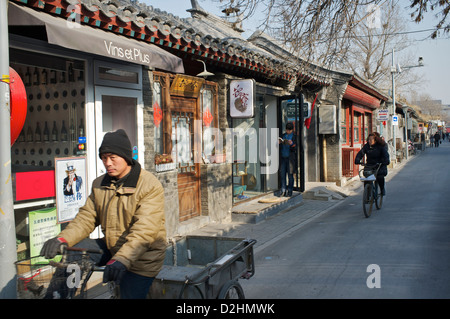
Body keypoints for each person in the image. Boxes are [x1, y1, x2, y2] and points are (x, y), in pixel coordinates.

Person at [40, 129, 167, 299]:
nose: (108, 163)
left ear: (127, 158)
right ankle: (57, 296)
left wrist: (122, 259)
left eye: (113, 158)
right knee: (74, 254)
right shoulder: (100, 184)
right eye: (104, 157)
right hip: (113, 246)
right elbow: (86, 218)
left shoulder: (149, 185)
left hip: (141, 258)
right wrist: (62, 239)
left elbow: (144, 232)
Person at [278, 122, 297, 197]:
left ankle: (290, 190)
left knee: (290, 175)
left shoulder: (294, 136)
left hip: (290, 159)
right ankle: (283, 190)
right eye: (287, 130)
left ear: (292, 130)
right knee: (282, 175)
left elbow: (296, 147)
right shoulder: (283, 135)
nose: (288, 131)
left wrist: (292, 144)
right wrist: (278, 143)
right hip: (283, 158)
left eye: (289, 130)